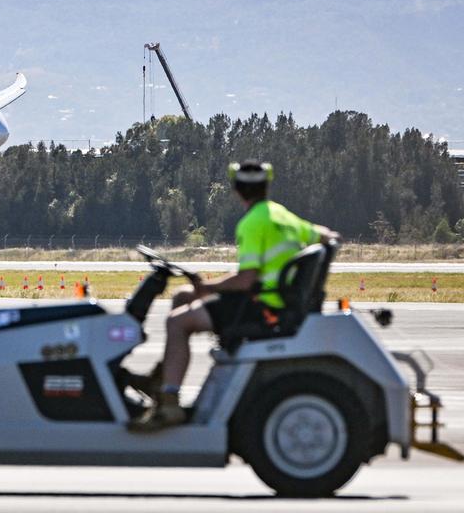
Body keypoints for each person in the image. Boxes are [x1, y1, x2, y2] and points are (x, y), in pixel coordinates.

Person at [128, 159, 336, 433]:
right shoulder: (282, 215)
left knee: (176, 323)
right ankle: (161, 378)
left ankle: (169, 404)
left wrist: (210, 288)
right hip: (274, 300)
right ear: (266, 186)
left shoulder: (252, 223)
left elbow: (246, 280)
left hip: (259, 306)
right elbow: (326, 235)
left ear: (237, 189)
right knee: (182, 296)